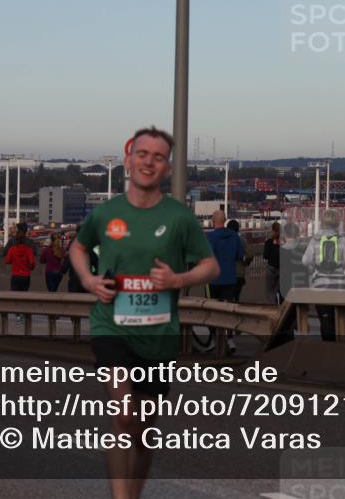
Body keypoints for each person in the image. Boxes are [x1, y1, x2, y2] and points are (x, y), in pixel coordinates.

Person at [69, 127, 218, 499]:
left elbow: (210, 266)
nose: (149, 161)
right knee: (122, 413)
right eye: (142, 153)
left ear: (167, 168)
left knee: (144, 428)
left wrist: (178, 278)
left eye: (158, 156)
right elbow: (78, 247)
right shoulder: (106, 213)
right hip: (111, 326)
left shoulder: (179, 217)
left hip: (158, 336)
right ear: (128, 160)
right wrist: (88, 280)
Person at [301, 209, 345, 342]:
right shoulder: (342, 240)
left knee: (325, 320)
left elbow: (305, 261)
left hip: (321, 285)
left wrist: (314, 266)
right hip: (340, 285)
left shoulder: (315, 240)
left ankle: (329, 349)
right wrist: (341, 265)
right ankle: (340, 347)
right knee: (339, 319)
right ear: (337, 224)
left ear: (322, 223)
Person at [206, 210, 245, 354]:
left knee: (211, 310)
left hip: (213, 279)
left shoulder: (210, 237)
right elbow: (240, 255)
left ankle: (215, 340)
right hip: (230, 278)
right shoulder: (234, 237)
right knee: (227, 309)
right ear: (225, 221)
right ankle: (229, 339)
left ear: (212, 221)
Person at [227, 219, 253, 303]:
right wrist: (245, 263)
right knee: (236, 296)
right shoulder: (242, 241)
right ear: (238, 229)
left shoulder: (224, 241)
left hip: (226, 274)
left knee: (227, 298)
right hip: (239, 274)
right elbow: (250, 255)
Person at [263, 222, 283, 304]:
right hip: (282, 269)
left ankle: (273, 307)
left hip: (271, 268)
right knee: (280, 290)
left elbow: (265, 256)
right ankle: (282, 308)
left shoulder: (269, 242)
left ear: (273, 231)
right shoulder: (284, 242)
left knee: (270, 291)